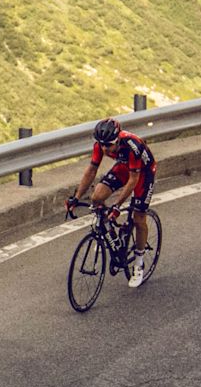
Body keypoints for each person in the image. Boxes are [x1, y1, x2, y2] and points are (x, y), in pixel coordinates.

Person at [69, 116, 161, 283]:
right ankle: (109, 233)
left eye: (109, 145)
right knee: (96, 197)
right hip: (124, 167)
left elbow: (133, 180)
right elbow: (91, 171)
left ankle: (139, 264)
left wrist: (117, 206)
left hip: (143, 173)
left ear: (118, 139)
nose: (105, 149)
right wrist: (75, 198)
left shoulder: (133, 146)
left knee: (138, 218)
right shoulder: (101, 144)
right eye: (102, 145)